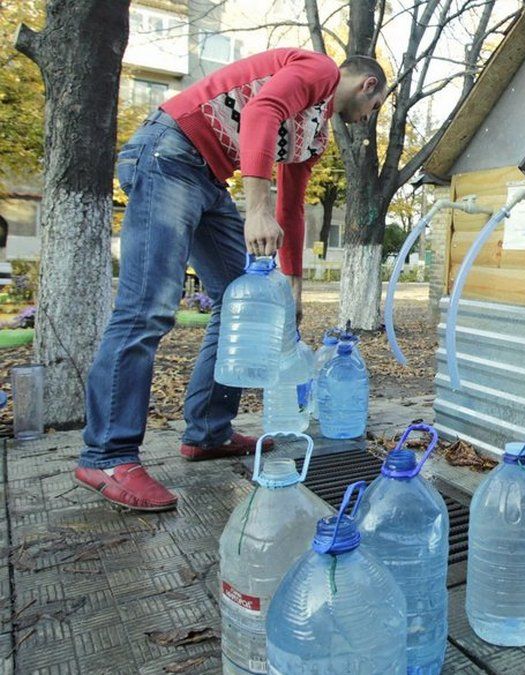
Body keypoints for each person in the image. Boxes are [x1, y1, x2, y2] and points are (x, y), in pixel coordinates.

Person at [73, 49, 387, 512]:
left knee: (240, 302)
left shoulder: (315, 135)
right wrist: (255, 207)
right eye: (375, 109)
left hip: (208, 177)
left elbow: (292, 208)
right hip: (169, 152)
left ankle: (207, 431)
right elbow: (262, 110)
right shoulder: (318, 71)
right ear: (368, 86)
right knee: (149, 307)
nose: (367, 119)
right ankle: (108, 455)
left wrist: (294, 285)